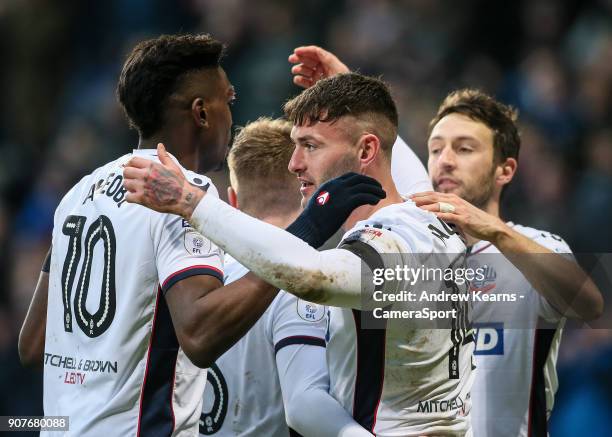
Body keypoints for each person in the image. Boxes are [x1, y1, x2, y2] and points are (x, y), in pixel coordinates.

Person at [18, 34, 380, 436]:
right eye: (228, 99)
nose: (231, 113)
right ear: (201, 113)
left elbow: (33, 344)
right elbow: (200, 335)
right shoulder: (180, 193)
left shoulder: (79, 194)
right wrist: (304, 234)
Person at [123, 72, 475, 436]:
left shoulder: (388, 241)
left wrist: (190, 202)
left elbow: (313, 277)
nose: (294, 164)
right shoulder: (430, 222)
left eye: (311, 145)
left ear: (366, 151)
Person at [288, 46, 603, 437]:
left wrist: (495, 230)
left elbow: (590, 304)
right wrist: (347, 90)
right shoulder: (410, 242)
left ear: (505, 170)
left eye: (465, 148)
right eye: (435, 149)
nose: (445, 161)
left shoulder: (532, 249)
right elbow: (380, 150)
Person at [201, 117, 372, 437]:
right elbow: (304, 404)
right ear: (304, 186)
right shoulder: (298, 280)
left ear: (232, 201)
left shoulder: (203, 281)